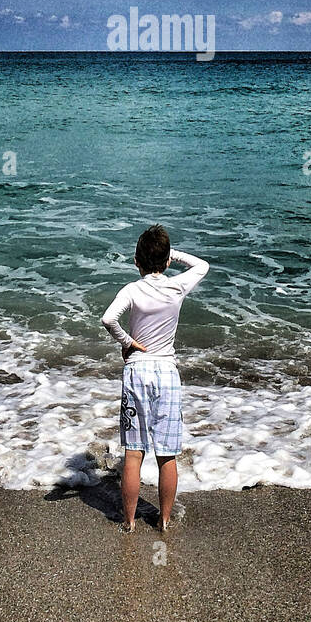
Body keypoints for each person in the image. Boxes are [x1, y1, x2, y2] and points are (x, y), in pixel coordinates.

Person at [101, 224, 209, 532]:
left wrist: (127, 342)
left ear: (136, 261)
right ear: (164, 262)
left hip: (137, 370)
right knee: (166, 454)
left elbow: (108, 319)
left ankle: (130, 521)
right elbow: (202, 265)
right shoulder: (177, 287)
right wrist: (170, 256)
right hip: (166, 373)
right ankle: (163, 520)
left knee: (134, 454)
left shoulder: (132, 290)